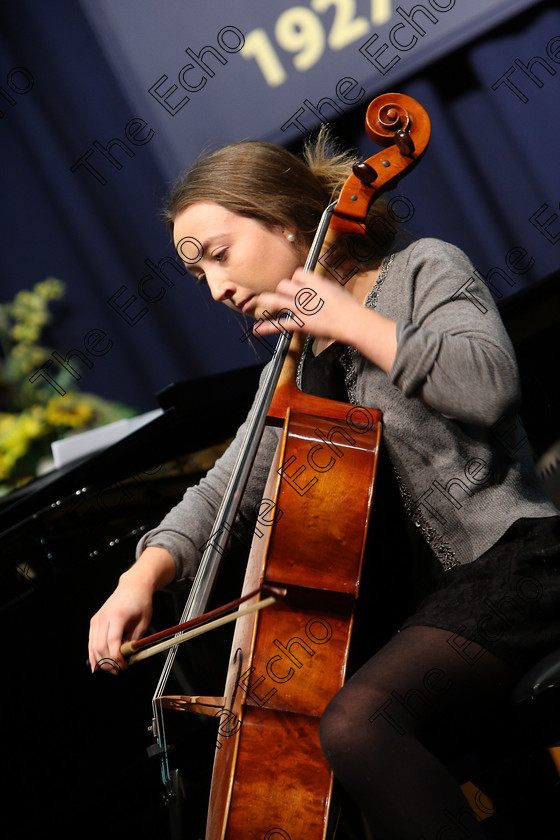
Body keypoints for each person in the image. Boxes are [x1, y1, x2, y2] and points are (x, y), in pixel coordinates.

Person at [88, 130, 560, 839]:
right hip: (436, 608)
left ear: (284, 219)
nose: (216, 287)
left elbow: (487, 388)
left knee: (359, 722)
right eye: (197, 276)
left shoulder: (422, 271)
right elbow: (229, 483)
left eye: (218, 255)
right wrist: (142, 575)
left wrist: (352, 321)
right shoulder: (293, 360)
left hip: (521, 563)